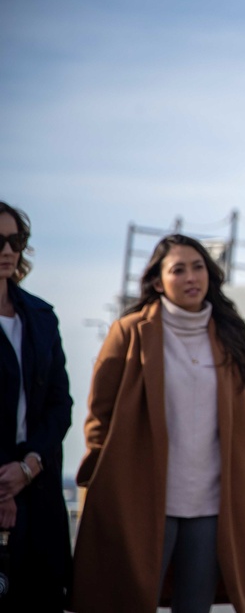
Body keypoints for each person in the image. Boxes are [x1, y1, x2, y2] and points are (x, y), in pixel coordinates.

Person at [70, 234, 245, 613]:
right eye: (178, 269)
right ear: (158, 282)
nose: (191, 277)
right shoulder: (130, 332)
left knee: (194, 607)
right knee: (129, 601)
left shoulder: (230, 337)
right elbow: (100, 417)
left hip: (211, 504)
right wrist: (106, 476)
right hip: (141, 498)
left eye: (198, 267)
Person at [0, 202, 73, 611]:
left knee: (44, 594)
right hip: (6, 484)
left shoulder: (41, 317)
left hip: (38, 487)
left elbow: (60, 404)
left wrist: (28, 467)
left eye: (15, 241)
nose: (7, 251)